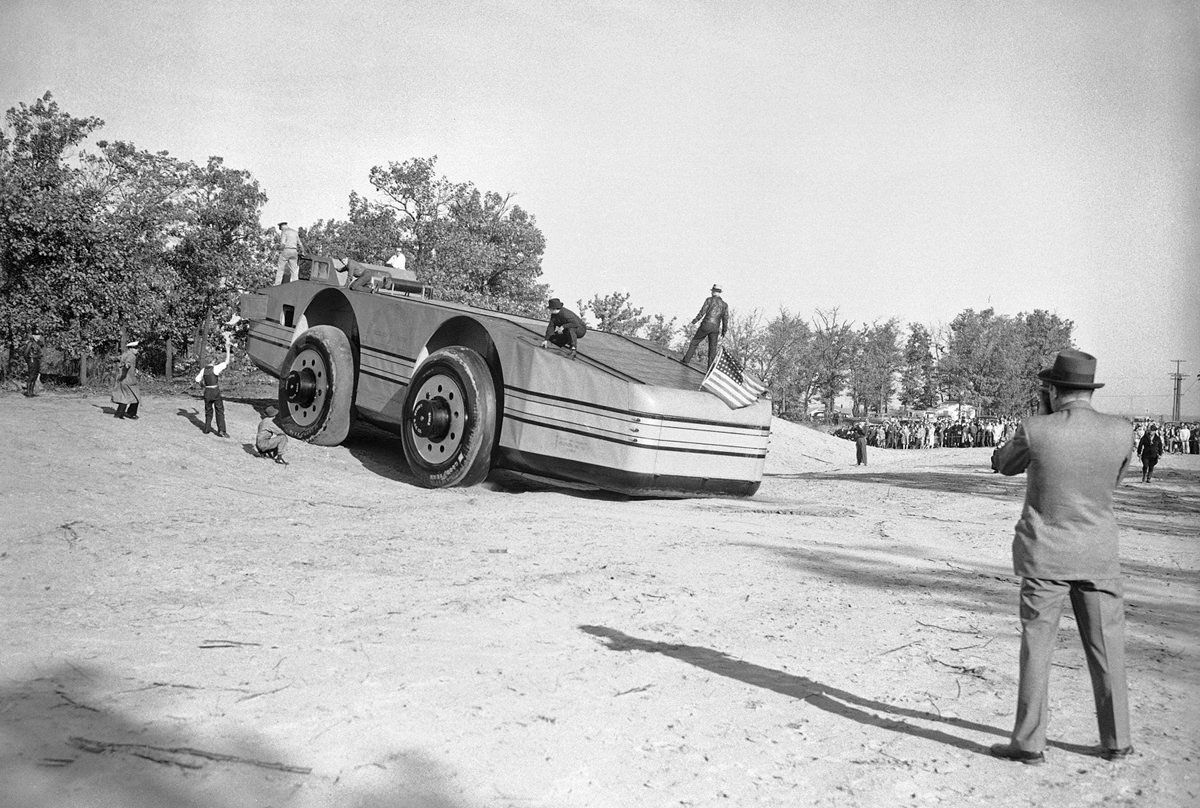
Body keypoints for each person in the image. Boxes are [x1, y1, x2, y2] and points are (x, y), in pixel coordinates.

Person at [989, 349, 1134, 765]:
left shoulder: (1036, 429)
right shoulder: (1121, 431)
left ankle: (1030, 744)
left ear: (1053, 389)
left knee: (1037, 648)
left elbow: (1004, 465)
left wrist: (1041, 416)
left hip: (1045, 556)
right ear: (1089, 389)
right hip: (1099, 554)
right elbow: (1115, 482)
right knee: (1108, 649)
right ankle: (1117, 740)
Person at [681, 285, 729, 368]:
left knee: (694, 342)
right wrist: (724, 331)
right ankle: (710, 368)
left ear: (713, 291)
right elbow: (725, 319)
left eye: (712, 291)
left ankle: (686, 360)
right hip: (715, 328)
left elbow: (702, 312)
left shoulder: (709, 300)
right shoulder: (724, 305)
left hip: (706, 325)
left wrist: (694, 321)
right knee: (712, 349)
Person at [195, 335, 233, 437]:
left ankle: (207, 429)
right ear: (213, 361)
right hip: (215, 391)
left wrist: (202, 385)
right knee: (219, 410)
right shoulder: (215, 369)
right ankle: (221, 431)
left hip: (207, 391)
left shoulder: (203, 370)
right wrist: (228, 350)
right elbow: (226, 362)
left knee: (208, 411)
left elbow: (197, 379)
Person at [111, 341, 143, 420]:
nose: (137, 350)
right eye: (136, 348)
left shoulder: (125, 354)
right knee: (136, 398)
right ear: (131, 348)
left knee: (124, 397)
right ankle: (131, 414)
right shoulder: (131, 356)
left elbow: (120, 359)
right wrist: (127, 365)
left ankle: (119, 414)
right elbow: (128, 363)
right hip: (129, 380)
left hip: (122, 379)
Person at [23, 330, 43, 397]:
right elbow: (25, 353)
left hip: (37, 360)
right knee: (31, 376)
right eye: (36, 335)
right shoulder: (30, 343)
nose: (38, 336)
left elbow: (40, 353)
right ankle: (28, 393)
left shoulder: (38, 343)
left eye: (39, 335)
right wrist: (28, 361)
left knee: (35, 376)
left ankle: (31, 392)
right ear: (33, 335)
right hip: (32, 360)